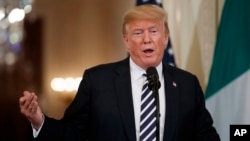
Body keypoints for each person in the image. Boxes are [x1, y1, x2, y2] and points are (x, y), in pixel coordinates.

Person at [19, 4, 220, 141]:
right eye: (138, 33)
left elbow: (206, 137)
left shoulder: (187, 85)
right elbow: (71, 134)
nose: (147, 39)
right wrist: (39, 120)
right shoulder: (97, 82)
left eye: (154, 31)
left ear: (165, 38)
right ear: (126, 41)